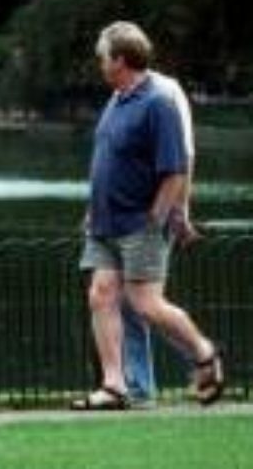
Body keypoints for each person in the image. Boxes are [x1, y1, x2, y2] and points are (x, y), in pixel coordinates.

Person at [71, 21, 224, 411]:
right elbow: (106, 159)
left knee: (146, 305)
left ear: (120, 59)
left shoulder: (158, 102)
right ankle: (114, 386)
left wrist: (154, 218)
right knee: (101, 295)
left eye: (104, 58)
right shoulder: (116, 100)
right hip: (104, 223)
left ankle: (204, 353)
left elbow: (175, 169)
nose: (100, 65)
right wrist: (92, 209)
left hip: (139, 224)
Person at [121, 68, 200, 406]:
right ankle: (140, 388)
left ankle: (203, 357)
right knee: (129, 304)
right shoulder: (121, 94)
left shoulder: (167, 91)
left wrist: (180, 210)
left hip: (152, 214)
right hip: (126, 214)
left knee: (145, 304)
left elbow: (184, 156)